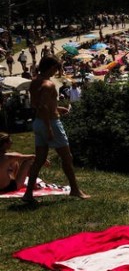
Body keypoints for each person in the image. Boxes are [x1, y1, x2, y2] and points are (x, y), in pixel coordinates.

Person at [23, 56, 89, 203]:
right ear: (50, 67)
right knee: (67, 157)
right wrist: (49, 128)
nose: (56, 71)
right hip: (50, 123)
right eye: (55, 68)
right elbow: (45, 107)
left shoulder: (35, 82)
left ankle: (28, 194)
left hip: (38, 122)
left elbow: (37, 104)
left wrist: (57, 108)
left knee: (39, 159)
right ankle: (75, 189)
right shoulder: (48, 85)